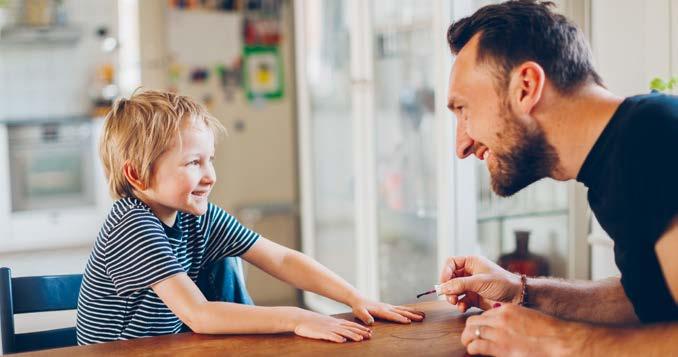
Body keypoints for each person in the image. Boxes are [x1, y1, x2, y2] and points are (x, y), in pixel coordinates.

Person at [76, 90, 424, 345]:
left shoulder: (198, 216)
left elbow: (280, 257)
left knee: (226, 260)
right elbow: (199, 313)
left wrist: (354, 297)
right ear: (137, 175)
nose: (211, 175)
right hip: (123, 353)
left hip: (170, 347)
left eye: (210, 159)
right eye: (193, 163)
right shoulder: (132, 225)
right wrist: (297, 317)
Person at [438, 1, 678, 355]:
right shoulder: (619, 155)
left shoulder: (654, 140)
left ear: (527, 86)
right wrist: (521, 290)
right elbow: (648, 299)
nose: (461, 145)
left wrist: (560, 341)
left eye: (464, 109)